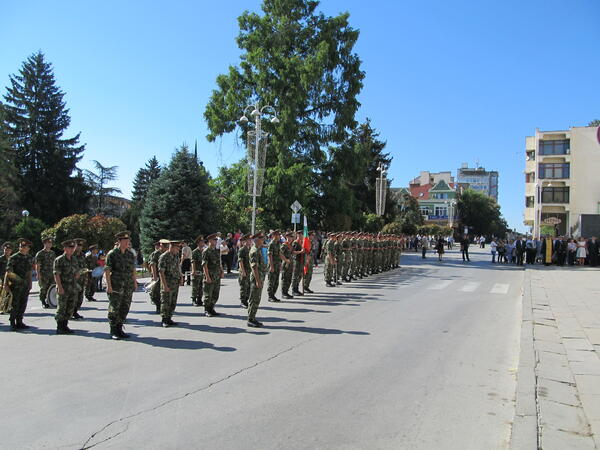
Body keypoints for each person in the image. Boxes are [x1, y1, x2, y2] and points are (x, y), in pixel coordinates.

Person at [104, 231, 138, 340]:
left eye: (128, 240)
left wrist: (135, 282)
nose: (127, 242)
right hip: (116, 286)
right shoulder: (112, 254)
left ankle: (119, 329)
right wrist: (109, 286)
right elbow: (107, 271)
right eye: (125, 240)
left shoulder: (129, 254)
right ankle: (113, 330)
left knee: (125, 307)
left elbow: (133, 269)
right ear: (119, 241)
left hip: (127, 285)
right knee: (114, 308)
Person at [4, 238, 34, 331]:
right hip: (16, 285)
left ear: (28, 248)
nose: (23, 248)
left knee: (23, 303)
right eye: (21, 246)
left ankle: (20, 321)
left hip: (25, 285)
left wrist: (30, 282)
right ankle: (13, 322)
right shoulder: (14, 257)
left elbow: (29, 271)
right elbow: (8, 272)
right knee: (15, 304)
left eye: (25, 246)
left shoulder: (29, 258)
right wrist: (6, 284)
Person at [53, 239, 79, 334]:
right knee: (62, 307)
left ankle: (65, 325)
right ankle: (60, 326)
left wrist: (77, 274)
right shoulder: (59, 259)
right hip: (63, 287)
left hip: (72, 287)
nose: (72, 249)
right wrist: (59, 287)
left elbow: (76, 271)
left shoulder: (74, 259)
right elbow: (57, 274)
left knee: (70, 307)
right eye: (70, 247)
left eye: (73, 247)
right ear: (65, 248)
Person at [159, 240, 183, 327]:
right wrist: (165, 285)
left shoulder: (176, 255)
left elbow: (178, 267)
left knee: (173, 301)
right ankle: (164, 320)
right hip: (167, 283)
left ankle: (169, 318)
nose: (178, 250)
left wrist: (181, 277)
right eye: (177, 247)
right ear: (171, 247)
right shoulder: (164, 257)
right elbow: (161, 272)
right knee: (166, 302)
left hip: (175, 282)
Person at [247, 232, 267, 328]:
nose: (263, 239)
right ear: (257, 240)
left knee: (257, 299)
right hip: (256, 278)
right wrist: (258, 281)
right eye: (261, 238)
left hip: (260, 277)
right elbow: (254, 267)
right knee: (254, 299)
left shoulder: (258, 249)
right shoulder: (254, 251)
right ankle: (250, 319)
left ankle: (253, 318)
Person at [202, 233, 224, 317]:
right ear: (210, 241)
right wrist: (207, 277)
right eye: (214, 240)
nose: (216, 241)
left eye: (216, 240)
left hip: (216, 276)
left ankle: (211, 308)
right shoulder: (206, 251)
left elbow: (219, 262)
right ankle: (207, 310)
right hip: (210, 276)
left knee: (215, 294)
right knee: (208, 294)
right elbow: (205, 265)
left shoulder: (216, 250)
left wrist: (221, 271)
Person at [34, 236, 56, 308]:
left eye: (50, 243)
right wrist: (38, 275)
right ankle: (43, 301)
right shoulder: (40, 253)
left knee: (52, 288)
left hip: (52, 274)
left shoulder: (52, 253)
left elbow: (54, 264)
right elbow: (37, 265)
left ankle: (49, 301)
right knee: (43, 288)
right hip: (44, 274)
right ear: (44, 244)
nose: (50, 244)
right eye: (48, 243)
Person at [267, 230, 283, 302]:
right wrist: (271, 266)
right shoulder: (272, 244)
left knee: (276, 281)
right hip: (273, 265)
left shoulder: (277, 243)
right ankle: (270, 296)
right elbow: (270, 255)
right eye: (278, 235)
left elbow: (279, 254)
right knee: (271, 281)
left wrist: (280, 264)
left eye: (279, 235)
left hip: (277, 264)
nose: (279, 236)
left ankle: (273, 295)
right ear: (274, 236)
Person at [237, 234, 251, 308]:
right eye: (248, 240)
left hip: (249, 271)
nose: (250, 241)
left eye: (250, 240)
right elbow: (240, 261)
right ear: (245, 241)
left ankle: (246, 300)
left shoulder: (250, 249)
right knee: (244, 287)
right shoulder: (242, 250)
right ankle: (243, 301)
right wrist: (243, 271)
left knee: (249, 287)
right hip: (244, 271)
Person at [191, 236, 205, 307]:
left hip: (203, 271)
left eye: (203, 242)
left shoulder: (204, 251)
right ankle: (194, 299)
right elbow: (193, 261)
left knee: (201, 286)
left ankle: (199, 299)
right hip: (197, 270)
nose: (203, 243)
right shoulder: (195, 251)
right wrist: (193, 270)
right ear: (198, 243)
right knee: (195, 286)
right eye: (202, 242)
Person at [280, 232, 294, 298]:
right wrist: (285, 260)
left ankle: (286, 291)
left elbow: (292, 253)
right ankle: (283, 293)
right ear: (287, 237)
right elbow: (280, 254)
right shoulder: (284, 245)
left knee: (289, 278)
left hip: (290, 263)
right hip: (286, 264)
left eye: (291, 237)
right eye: (289, 237)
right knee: (285, 278)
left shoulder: (290, 245)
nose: (291, 238)